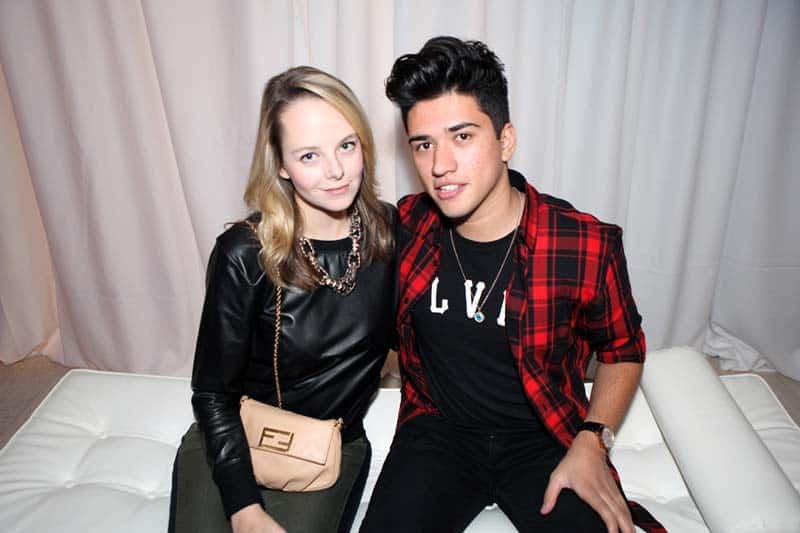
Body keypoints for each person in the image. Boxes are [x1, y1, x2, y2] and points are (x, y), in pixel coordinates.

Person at [360, 37, 665, 533]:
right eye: (423, 144)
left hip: (542, 435)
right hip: (438, 432)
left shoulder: (584, 244)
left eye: (462, 136)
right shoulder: (405, 228)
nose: (440, 166)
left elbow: (623, 350)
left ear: (505, 141)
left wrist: (593, 439)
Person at [169, 66, 395, 533]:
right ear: (281, 166)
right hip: (236, 438)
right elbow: (213, 392)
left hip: (329, 444)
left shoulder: (389, 233)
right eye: (309, 155)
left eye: (346, 146)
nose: (336, 170)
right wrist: (244, 508)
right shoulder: (244, 253)